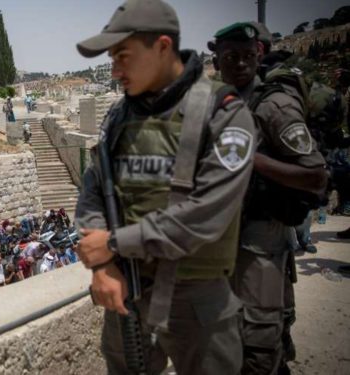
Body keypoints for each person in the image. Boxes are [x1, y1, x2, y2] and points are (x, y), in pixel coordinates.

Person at [74, 1, 256, 373]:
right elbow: (94, 187)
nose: (115, 69)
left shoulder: (223, 113)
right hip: (128, 291)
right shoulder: (119, 115)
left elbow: (204, 217)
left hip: (197, 300)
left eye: (123, 56)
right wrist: (103, 266)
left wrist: (112, 244)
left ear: (161, 47)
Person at [210, 22, 327, 375]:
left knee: (259, 349)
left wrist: (254, 160)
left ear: (259, 54)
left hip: (261, 241)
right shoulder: (222, 104)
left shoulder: (273, 105)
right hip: (226, 244)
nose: (241, 64)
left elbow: (316, 176)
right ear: (216, 59)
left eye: (248, 56)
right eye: (231, 57)